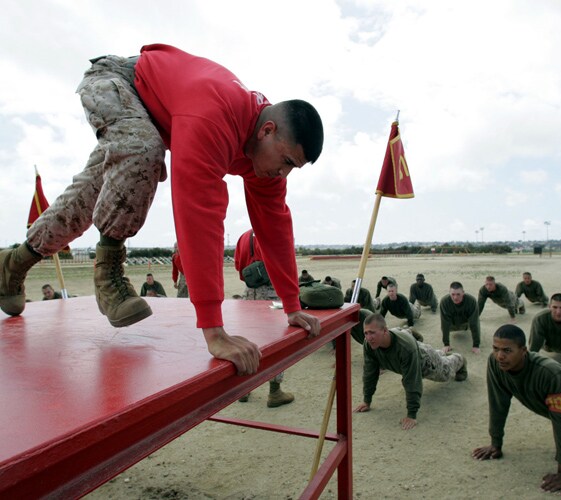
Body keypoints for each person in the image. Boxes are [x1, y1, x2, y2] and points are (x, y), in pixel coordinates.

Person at [0, 44, 323, 375]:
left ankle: (13, 263)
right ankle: (108, 269)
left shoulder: (263, 155)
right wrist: (214, 331)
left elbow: (275, 226)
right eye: (285, 162)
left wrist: (292, 305)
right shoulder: (214, 116)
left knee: (88, 197)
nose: (283, 174)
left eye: (292, 168)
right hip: (118, 82)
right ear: (267, 131)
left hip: (153, 118)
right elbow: (199, 216)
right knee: (143, 151)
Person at [473, 324, 561, 495]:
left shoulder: (549, 374)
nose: (500, 356)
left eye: (507, 350)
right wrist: (495, 443)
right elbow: (498, 402)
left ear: (523, 350)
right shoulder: (496, 363)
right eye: (496, 349)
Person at [353, 313, 467, 430]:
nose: (368, 337)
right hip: (413, 346)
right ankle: (433, 349)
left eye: (372, 332)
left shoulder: (405, 348)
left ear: (385, 331)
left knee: (445, 373)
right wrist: (367, 401)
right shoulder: (369, 345)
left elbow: (412, 380)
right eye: (366, 333)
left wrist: (411, 414)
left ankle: (459, 359)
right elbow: (369, 373)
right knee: (417, 347)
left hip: (425, 361)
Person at [233, 229, 294, 407]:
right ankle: (274, 392)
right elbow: (283, 262)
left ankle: (244, 389)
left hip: (249, 293)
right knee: (276, 343)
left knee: (247, 341)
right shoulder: (271, 231)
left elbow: (239, 267)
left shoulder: (243, 237)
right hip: (271, 292)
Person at [439, 281, 481, 354]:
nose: (455, 297)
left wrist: (476, 345)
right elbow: (445, 323)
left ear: (463, 292)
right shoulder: (444, 302)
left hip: (466, 325)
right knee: (444, 324)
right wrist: (446, 344)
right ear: (449, 293)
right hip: (452, 326)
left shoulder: (471, 301)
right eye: (453, 294)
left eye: (458, 294)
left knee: (475, 323)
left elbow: (474, 323)